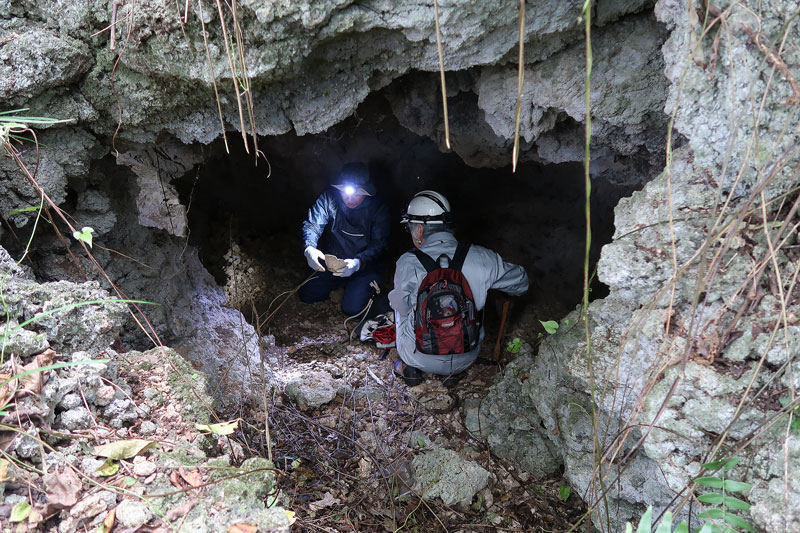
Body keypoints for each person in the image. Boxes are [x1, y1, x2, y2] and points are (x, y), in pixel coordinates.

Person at [389, 190, 528, 387]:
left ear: (419, 229)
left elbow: (401, 307)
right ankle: (453, 372)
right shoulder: (482, 257)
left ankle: (410, 368)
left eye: (410, 228)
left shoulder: (407, 262)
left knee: (398, 304)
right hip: (466, 357)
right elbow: (522, 283)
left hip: (418, 356)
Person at [299, 162, 390, 317]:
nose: (350, 198)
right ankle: (342, 286)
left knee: (352, 308)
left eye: (357, 193)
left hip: (364, 266)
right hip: (335, 263)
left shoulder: (378, 208)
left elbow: (380, 244)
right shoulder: (329, 198)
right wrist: (309, 248)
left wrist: (357, 263)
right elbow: (313, 224)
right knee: (307, 294)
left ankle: (360, 291)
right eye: (345, 192)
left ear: (366, 191)